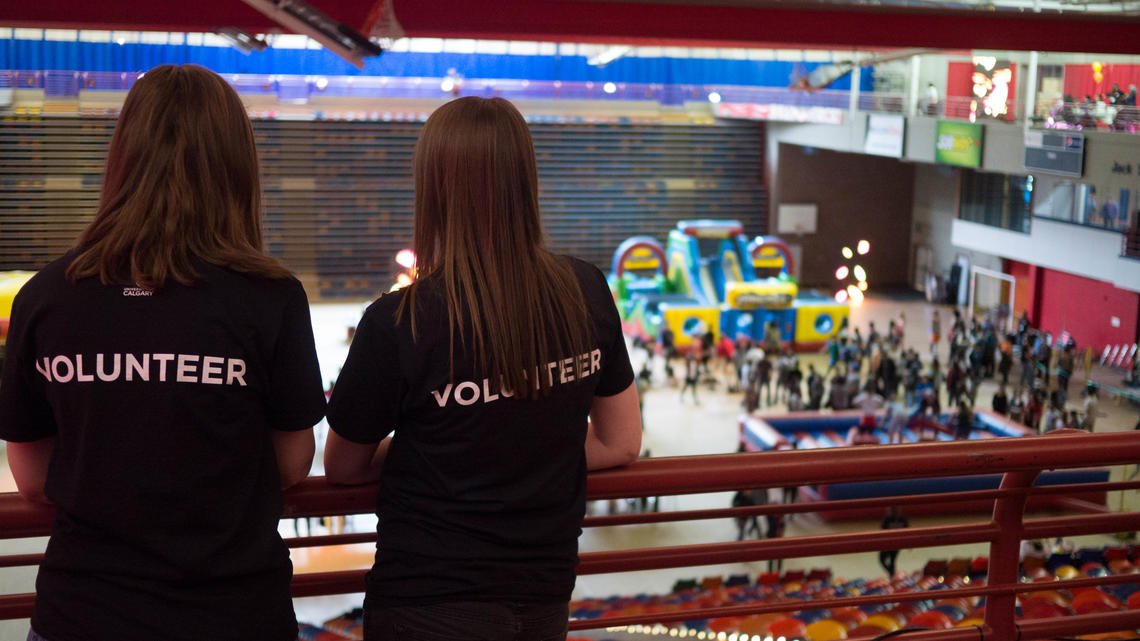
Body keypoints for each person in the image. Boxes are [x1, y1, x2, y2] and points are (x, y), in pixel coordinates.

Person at [0, 65, 326, 641]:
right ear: (235, 166)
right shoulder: (271, 296)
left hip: (84, 614)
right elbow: (293, 461)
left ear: (123, 157)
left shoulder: (48, 295)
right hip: (233, 614)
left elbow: (29, 476)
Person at [322, 97, 642, 641]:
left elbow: (344, 467)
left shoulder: (397, 322)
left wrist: (444, 446)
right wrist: (524, 439)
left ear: (434, 189)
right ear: (525, 179)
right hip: (544, 594)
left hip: (427, 601)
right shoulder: (585, 288)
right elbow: (621, 443)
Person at [879, 506, 909, 576]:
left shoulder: (902, 519)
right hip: (888, 543)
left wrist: (908, 543)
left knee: (891, 560)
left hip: (896, 544)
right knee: (884, 560)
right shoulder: (887, 519)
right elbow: (882, 531)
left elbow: (907, 531)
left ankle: (892, 574)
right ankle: (892, 573)